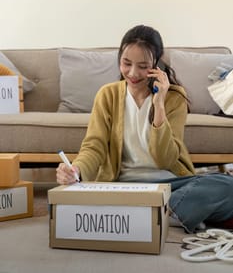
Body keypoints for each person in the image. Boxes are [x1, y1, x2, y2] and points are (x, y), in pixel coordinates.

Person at [56, 24, 233, 233]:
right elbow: (94, 146)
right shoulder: (107, 94)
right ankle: (165, 216)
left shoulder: (174, 97)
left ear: (156, 64)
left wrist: (159, 104)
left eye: (143, 66)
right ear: (119, 59)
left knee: (226, 185)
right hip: (121, 185)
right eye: (126, 63)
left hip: (169, 186)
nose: (132, 73)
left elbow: (165, 159)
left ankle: (154, 214)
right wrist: (76, 169)